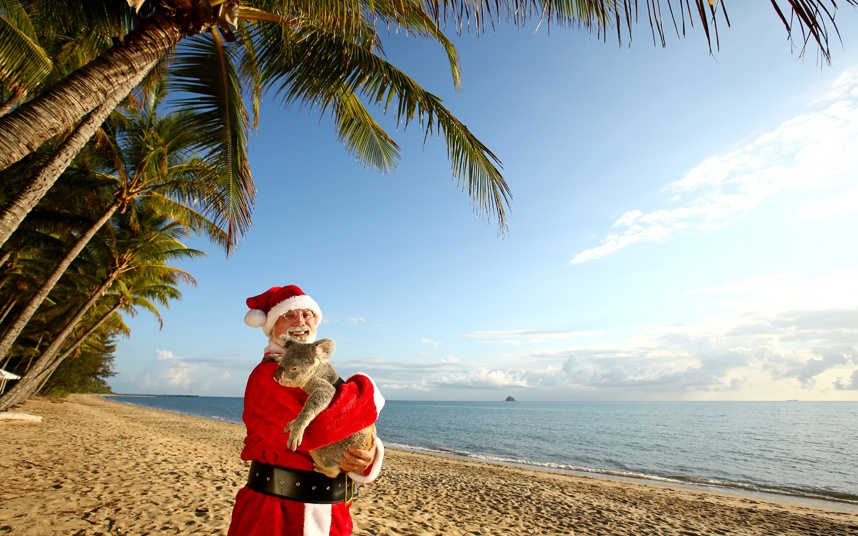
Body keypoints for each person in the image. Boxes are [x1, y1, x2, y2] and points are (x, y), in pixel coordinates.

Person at [228, 285, 385, 536]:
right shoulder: (268, 375)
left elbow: (349, 429)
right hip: (277, 514)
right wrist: (366, 389)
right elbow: (318, 431)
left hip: (334, 512)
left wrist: (367, 455)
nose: (300, 320)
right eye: (289, 315)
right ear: (272, 327)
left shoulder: (315, 371)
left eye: (307, 314)